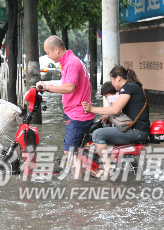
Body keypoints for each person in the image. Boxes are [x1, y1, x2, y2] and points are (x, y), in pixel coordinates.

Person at [36, 36, 94, 167]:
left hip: (78, 116)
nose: (48, 56)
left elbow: (69, 87)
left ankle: (76, 185)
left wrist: (47, 87)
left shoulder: (72, 63)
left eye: (47, 52)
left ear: (56, 49)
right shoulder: (69, 61)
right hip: (78, 113)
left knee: (70, 154)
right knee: (74, 153)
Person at [82, 66, 150, 178]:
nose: (112, 84)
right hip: (138, 130)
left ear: (118, 78)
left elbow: (115, 109)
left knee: (97, 134)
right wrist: (105, 115)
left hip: (135, 131)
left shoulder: (127, 87)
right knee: (104, 129)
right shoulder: (133, 86)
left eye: (112, 80)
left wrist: (91, 109)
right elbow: (116, 109)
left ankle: (107, 169)